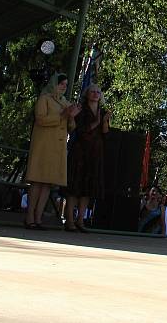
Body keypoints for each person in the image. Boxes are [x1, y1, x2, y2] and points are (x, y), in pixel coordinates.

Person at [24, 73, 80, 230]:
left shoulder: (65, 102)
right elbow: (40, 119)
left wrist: (72, 117)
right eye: (61, 83)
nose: (63, 86)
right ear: (54, 84)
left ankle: (38, 217)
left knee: (47, 183)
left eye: (66, 84)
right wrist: (63, 115)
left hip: (57, 147)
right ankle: (29, 217)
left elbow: (71, 127)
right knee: (37, 181)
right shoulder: (45, 98)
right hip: (43, 145)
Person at [64, 84, 110, 233]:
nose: (96, 94)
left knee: (87, 189)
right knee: (74, 186)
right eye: (93, 92)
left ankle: (80, 220)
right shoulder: (81, 108)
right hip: (80, 151)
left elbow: (106, 133)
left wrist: (104, 122)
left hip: (95, 153)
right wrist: (96, 122)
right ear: (87, 94)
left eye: (98, 92)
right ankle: (69, 219)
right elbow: (80, 130)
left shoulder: (102, 111)